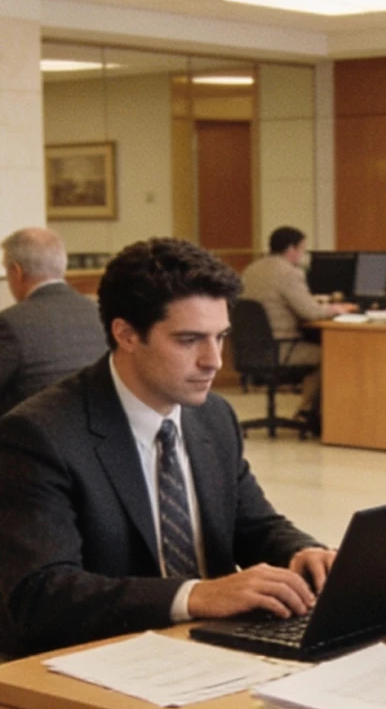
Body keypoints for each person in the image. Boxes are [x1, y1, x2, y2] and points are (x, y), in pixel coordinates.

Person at [0, 238, 337, 659]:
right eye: (189, 340)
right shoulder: (39, 434)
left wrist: (301, 552)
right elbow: (41, 595)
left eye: (220, 337)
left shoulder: (213, 415)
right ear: (126, 334)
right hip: (106, 658)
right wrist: (194, 596)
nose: (214, 360)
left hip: (212, 650)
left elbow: (253, 524)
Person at [239, 226, 355, 427]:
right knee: (331, 354)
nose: (303, 255)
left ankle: (309, 412)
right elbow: (311, 312)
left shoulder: (251, 270)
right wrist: (337, 308)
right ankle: (308, 412)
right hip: (282, 348)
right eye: (302, 249)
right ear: (291, 249)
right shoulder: (288, 273)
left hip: (252, 349)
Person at [0, 227, 107, 417]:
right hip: (100, 428)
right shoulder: (101, 312)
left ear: (17, 271)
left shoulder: (10, 323)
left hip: (32, 431)